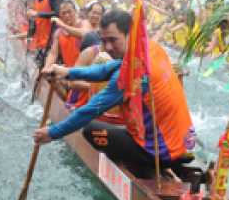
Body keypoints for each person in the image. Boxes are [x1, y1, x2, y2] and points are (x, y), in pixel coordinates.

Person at [33, 9, 196, 178]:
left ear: (129, 34)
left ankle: (144, 171)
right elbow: (108, 68)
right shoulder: (150, 48)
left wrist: (52, 133)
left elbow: (90, 110)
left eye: (113, 40)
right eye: (104, 41)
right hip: (183, 143)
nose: (108, 47)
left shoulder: (131, 74)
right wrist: (67, 72)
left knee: (91, 130)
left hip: (163, 152)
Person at [25, 0, 62, 67]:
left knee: (46, 77)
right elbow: (36, 22)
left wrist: (38, 14)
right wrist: (29, 36)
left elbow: (59, 14)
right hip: (40, 45)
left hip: (52, 45)